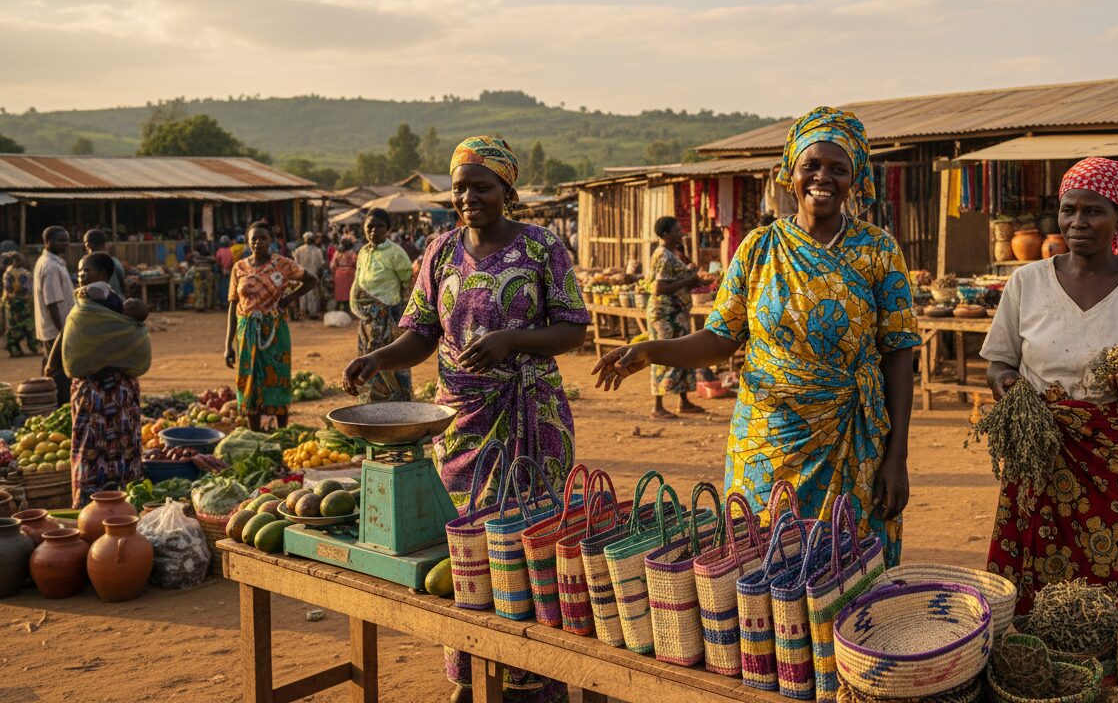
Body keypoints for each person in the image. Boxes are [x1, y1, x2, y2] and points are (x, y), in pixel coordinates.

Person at [592, 107, 919, 566]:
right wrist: (651, 349)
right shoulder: (758, 248)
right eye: (811, 165)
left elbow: (899, 353)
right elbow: (721, 337)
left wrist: (896, 457)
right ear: (791, 172)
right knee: (763, 562)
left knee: (845, 568)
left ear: (855, 178)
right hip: (766, 442)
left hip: (851, 439)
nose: (822, 178)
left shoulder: (878, 251)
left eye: (838, 169)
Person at [343, 136, 588, 703]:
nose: (468, 197)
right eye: (460, 188)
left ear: (507, 189)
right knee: (467, 551)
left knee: (528, 545)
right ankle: (470, 675)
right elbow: (421, 334)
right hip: (458, 426)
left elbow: (573, 329)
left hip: (531, 420)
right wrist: (379, 357)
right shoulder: (440, 251)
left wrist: (513, 340)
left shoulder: (542, 248)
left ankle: (533, 681)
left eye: (482, 186)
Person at [979, 157, 1118, 615]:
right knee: (1029, 564)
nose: (1077, 222)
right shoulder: (1027, 281)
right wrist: (1009, 386)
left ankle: (1103, 651)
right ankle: (1026, 649)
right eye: (1069, 209)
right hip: (1039, 446)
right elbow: (998, 362)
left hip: (1116, 454)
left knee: (1111, 569)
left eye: (1093, 211)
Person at [44, 252, 150, 507]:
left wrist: (52, 363)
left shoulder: (101, 299)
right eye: (79, 270)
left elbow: (127, 327)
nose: (81, 275)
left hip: (102, 391)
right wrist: (52, 363)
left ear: (103, 275)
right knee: (113, 444)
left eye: (86, 270)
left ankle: (92, 504)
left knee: (96, 445)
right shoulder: (85, 306)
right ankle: (121, 501)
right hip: (111, 389)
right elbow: (68, 330)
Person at [225, 222, 318, 431]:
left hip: (275, 330)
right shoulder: (239, 268)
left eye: (263, 238)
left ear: (271, 241)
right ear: (247, 241)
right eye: (254, 238)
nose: (258, 242)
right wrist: (228, 345)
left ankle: (282, 431)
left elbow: (312, 280)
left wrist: (289, 299)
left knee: (277, 377)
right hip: (246, 330)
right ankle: (255, 432)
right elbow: (232, 305)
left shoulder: (282, 264)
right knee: (249, 380)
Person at [645, 216, 707, 419]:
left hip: (676, 313)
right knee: (662, 355)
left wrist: (690, 275)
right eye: (677, 230)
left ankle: (684, 401)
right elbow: (660, 287)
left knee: (682, 354)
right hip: (664, 314)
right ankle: (657, 406)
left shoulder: (672, 254)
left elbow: (674, 279)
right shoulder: (663, 255)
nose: (681, 234)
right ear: (665, 234)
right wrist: (690, 279)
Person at [351, 209, 415, 402]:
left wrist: (400, 314)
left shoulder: (395, 252)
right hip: (367, 321)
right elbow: (358, 280)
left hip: (388, 319)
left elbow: (408, 282)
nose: (374, 230)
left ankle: (398, 405)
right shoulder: (363, 251)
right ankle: (371, 405)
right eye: (370, 226)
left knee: (390, 360)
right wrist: (357, 306)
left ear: (387, 229)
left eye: (379, 226)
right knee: (367, 360)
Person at [34, 227, 76, 404]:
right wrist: (62, 331)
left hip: (57, 327)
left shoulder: (55, 262)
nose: (65, 244)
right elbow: (52, 302)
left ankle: (47, 400)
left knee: (51, 366)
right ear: (47, 242)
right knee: (60, 371)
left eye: (66, 240)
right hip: (55, 329)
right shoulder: (50, 266)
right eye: (61, 240)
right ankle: (61, 405)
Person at [2, 252, 40, 357]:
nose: (21, 261)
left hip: (19, 304)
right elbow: (12, 288)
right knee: (19, 327)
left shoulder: (11, 272)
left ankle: (21, 348)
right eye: (19, 259)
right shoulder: (12, 273)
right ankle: (17, 348)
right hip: (17, 304)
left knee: (22, 326)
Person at [292, 233, 327, 319]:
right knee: (311, 293)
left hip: (305, 274)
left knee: (305, 293)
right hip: (310, 274)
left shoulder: (299, 250)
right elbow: (321, 264)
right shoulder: (317, 250)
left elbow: (296, 263)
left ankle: (305, 311)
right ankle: (310, 312)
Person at [83, 228, 126, 296]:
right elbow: (122, 282)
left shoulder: (86, 264)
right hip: (116, 298)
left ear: (89, 245)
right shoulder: (114, 261)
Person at [330, 238, 357, 312]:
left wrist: (335, 271)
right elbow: (355, 263)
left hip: (339, 274)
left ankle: (337, 308)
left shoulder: (337, 253)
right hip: (350, 274)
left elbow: (333, 265)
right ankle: (347, 309)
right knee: (348, 292)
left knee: (339, 292)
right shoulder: (352, 253)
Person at [188, 242, 216, 311]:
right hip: (202, 274)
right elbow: (213, 260)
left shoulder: (196, 256)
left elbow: (213, 260)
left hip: (201, 275)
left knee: (200, 291)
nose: (206, 248)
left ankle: (201, 306)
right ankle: (203, 306)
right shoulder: (198, 256)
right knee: (203, 291)